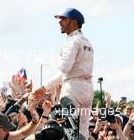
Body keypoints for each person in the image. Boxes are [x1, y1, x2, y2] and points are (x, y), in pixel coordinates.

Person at [32, 8, 94, 139]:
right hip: (87, 89)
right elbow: (67, 72)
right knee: (83, 131)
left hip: (72, 88)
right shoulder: (87, 41)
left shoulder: (72, 40)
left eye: (63, 19)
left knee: (67, 128)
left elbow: (64, 68)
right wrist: (45, 88)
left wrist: (60, 57)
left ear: (74, 22)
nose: (60, 22)